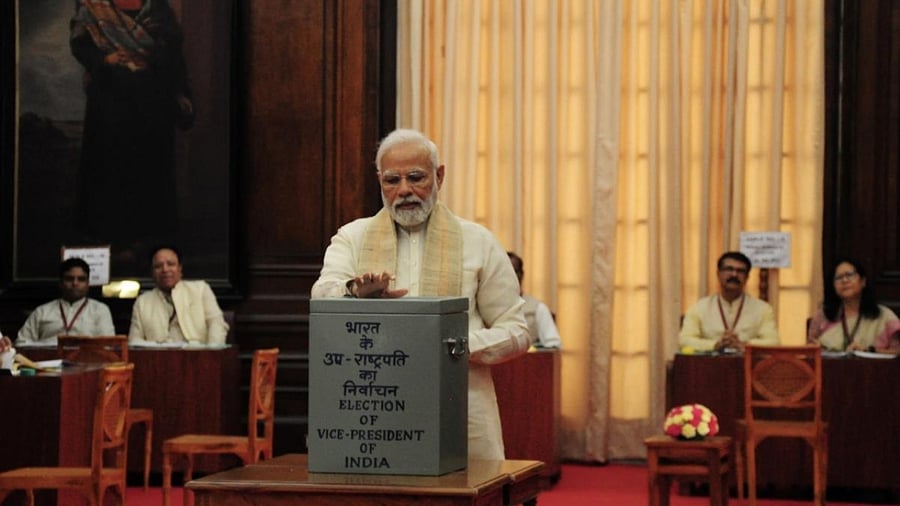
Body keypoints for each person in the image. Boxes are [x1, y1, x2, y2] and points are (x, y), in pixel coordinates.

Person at [310, 128, 530, 460]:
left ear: (439, 176)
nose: (404, 191)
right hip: (374, 410)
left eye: (416, 177)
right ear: (379, 181)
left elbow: (518, 330)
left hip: (462, 405)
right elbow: (322, 297)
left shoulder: (478, 241)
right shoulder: (352, 238)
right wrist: (355, 292)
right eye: (391, 180)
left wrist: (453, 346)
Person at [70, 0, 194, 263]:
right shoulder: (95, 6)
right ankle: (110, 238)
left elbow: (172, 50)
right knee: (109, 168)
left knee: (148, 170)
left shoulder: (157, 7)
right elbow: (80, 44)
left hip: (151, 103)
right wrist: (105, 59)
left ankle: (146, 240)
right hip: (110, 103)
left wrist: (151, 60)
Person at [678, 251, 779, 352]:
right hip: (709, 365)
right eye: (729, 269)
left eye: (740, 271)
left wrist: (743, 345)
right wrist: (715, 345)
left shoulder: (763, 309)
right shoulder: (699, 308)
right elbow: (684, 340)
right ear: (718, 274)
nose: (734, 274)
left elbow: (773, 342)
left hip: (747, 365)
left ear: (747, 277)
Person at [128, 246, 229, 346]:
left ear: (180, 268)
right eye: (158, 266)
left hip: (198, 356)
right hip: (158, 358)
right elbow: (134, 342)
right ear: (152, 272)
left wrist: (210, 354)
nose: (165, 269)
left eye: (170, 264)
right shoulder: (142, 302)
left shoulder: (200, 290)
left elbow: (217, 324)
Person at [807, 257, 900, 353]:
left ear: (863, 281)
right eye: (838, 277)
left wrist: (869, 350)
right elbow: (810, 350)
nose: (845, 280)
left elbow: (897, 351)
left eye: (849, 275)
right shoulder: (823, 315)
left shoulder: (884, 316)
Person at [16, 258, 116, 346]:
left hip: (88, 362)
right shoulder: (42, 311)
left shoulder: (100, 310)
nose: (75, 283)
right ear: (60, 282)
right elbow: (21, 343)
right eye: (69, 279)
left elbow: (109, 345)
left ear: (88, 283)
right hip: (46, 363)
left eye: (81, 279)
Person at [507, 252, 562, 348]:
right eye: (504, 272)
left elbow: (553, 346)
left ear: (521, 275)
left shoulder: (537, 309)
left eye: (513, 271)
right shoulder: (484, 308)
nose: (508, 277)